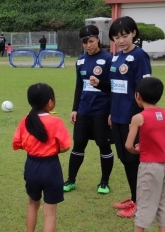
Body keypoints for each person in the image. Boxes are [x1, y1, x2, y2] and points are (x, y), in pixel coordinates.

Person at [90, 16, 151, 218]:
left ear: (134, 33)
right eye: (116, 37)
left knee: (134, 160)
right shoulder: (116, 58)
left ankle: (139, 203)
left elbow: (145, 90)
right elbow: (114, 89)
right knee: (125, 159)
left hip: (132, 118)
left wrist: (139, 117)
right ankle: (134, 198)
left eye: (124, 35)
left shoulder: (140, 56)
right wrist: (99, 84)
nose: (121, 40)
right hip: (116, 116)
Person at [12, 83, 71, 232]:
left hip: (31, 165)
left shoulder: (25, 120)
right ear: (50, 102)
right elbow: (65, 146)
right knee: (50, 213)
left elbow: (17, 143)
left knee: (32, 204)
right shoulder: (56, 122)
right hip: (50, 167)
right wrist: (51, 149)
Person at [63, 25, 114, 194]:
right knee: (78, 145)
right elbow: (79, 86)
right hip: (84, 110)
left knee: (103, 146)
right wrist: (74, 109)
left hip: (102, 111)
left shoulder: (108, 59)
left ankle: (104, 182)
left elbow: (113, 88)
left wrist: (111, 111)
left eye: (91, 41)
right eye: (85, 43)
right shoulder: (80, 60)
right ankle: (70, 180)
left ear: (98, 39)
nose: (88, 45)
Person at [125, 77, 165, 232]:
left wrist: (137, 150)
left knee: (144, 205)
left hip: (150, 167)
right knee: (162, 204)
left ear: (138, 96)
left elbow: (128, 145)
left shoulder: (138, 118)